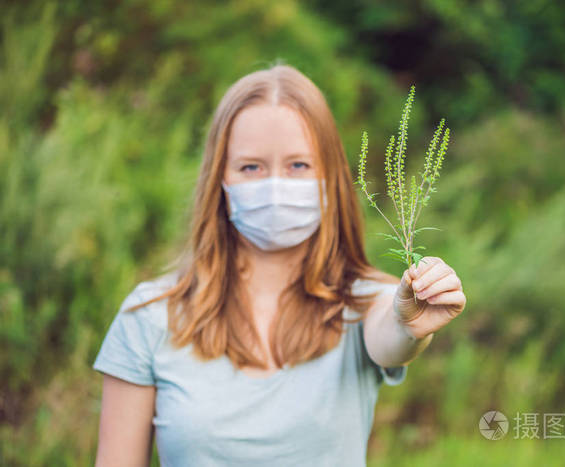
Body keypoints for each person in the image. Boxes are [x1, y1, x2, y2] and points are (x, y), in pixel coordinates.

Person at [92, 63, 466, 466]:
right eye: (251, 167)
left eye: (298, 166)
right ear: (220, 178)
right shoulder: (148, 317)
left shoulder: (365, 301)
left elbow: (392, 338)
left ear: (331, 177)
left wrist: (409, 323)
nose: (275, 185)